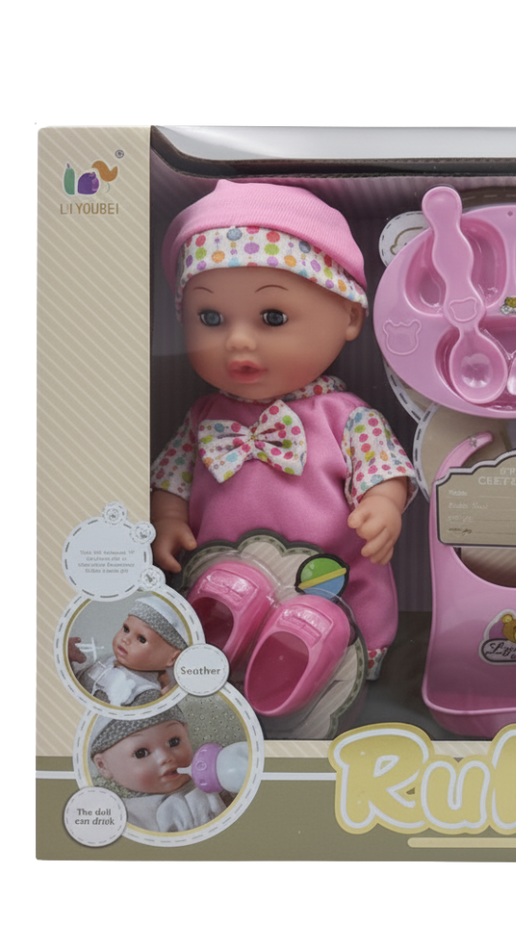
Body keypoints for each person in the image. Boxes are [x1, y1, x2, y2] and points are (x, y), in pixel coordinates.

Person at [151, 181, 415, 678]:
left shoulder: (345, 416)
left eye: (272, 317)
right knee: (216, 625)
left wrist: (383, 506)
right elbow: (172, 480)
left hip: (328, 579)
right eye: (210, 317)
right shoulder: (203, 418)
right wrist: (167, 519)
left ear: (350, 315)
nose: (238, 340)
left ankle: (336, 657)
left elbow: (383, 469)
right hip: (220, 587)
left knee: (330, 615)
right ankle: (224, 661)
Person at [90, 707, 227, 832]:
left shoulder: (215, 781)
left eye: (174, 742)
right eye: (141, 753)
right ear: (103, 766)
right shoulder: (121, 817)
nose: (166, 757)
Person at [69, 594, 187, 706]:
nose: (125, 639)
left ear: (172, 658)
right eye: (126, 629)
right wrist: (68, 659)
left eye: (141, 639)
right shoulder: (106, 661)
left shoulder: (145, 692)